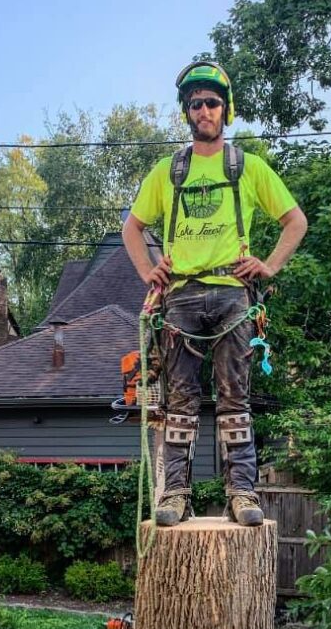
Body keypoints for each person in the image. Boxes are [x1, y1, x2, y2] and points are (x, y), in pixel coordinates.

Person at [123, 60, 307, 526]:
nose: (203, 110)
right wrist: (149, 269)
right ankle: (175, 496)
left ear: (226, 110)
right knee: (178, 401)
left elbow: (295, 221)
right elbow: (133, 228)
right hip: (180, 296)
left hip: (232, 294)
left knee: (234, 398)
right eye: (194, 104)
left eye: (211, 103)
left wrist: (268, 265)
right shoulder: (169, 171)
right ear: (186, 113)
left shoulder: (248, 167)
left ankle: (242, 493)